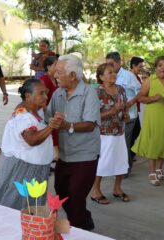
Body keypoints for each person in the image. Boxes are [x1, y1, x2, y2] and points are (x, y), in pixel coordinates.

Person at [46, 54, 101, 231]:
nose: (55, 75)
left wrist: (66, 125)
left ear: (72, 75)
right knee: (62, 193)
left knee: (76, 196)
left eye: (59, 72)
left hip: (85, 154)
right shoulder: (58, 93)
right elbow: (48, 117)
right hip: (64, 154)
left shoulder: (88, 92)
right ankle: (83, 220)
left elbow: (90, 124)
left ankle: (80, 228)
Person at [0, 79, 64, 210]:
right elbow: (32, 140)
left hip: (33, 165)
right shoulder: (23, 116)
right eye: (41, 93)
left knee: (30, 203)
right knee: (17, 203)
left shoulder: (33, 108)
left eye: (46, 93)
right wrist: (50, 127)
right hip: (24, 167)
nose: (46, 97)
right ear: (28, 96)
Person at [132, 56, 164, 186]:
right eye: (160, 65)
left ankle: (159, 168)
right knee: (154, 142)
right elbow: (140, 98)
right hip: (153, 117)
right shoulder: (149, 80)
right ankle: (152, 171)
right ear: (156, 68)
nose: (163, 67)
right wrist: (153, 98)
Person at [91, 63, 130, 204]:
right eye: (109, 72)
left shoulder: (121, 89)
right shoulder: (97, 92)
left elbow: (124, 109)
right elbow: (93, 115)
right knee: (102, 162)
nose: (113, 74)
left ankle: (117, 189)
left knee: (121, 160)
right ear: (101, 77)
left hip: (119, 131)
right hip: (104, 133)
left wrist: (125, 115)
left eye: (114, 72)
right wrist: (112, 111)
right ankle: (95, 191)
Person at [106, 52, 141, 175]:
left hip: (128, 116)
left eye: (111, 64)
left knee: (124, 143)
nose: (109, 67)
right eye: (107, 65)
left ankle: (124, 169)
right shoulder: (107, 76)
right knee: (114, 143)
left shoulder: (129, 76)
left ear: (119, 62)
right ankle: (116, 167)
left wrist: (130, 102)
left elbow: (141, 92)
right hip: (111, 116)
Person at [40, 56, 59, 162]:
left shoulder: (55, 79)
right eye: (56, 64)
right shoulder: (45, 80)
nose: (58, 66)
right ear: (48, 66)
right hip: (47, 114)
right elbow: (42, 99)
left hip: (53, 113)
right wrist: (46, 112)